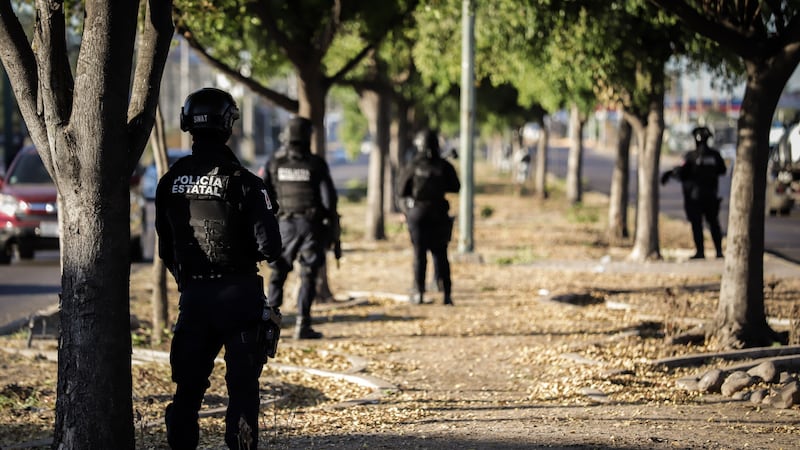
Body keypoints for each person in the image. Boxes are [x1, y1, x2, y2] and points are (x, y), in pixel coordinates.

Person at [155, 87, 283, 450]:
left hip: (194, 297)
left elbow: (166, 245)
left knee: (188, 388)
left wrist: (188, 281)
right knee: (242, 387)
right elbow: (270, 247)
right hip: (240, 297)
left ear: (187, 124)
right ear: (229, 125)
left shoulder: (170, 181)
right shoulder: (245, 183)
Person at [262, 116, 339, 339]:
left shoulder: (274, 163)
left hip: (284, 226)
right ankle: (302, 325)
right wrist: (331, 227)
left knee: (278, 273)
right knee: (307, 275)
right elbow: (329, 201)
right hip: (310, 227)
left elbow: (263, 195)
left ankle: (270, 325)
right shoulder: (316, 164)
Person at [397, 128, 460, 305]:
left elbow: (401, 191)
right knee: (441, 254)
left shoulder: (412, 166)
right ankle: (446, 294)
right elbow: (455, 186)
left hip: (418, 214)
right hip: (438, 212)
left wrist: (406, 211)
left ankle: (419, 292)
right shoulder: (444, 165)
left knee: (419, 255)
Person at [661, 126, 727, 259]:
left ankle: (701, 252)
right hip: (711, 196)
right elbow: (722, 170)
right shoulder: (715, 155)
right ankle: (718, 251)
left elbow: (681, 172)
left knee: (698, 225)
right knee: (713, 224)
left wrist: (669, 174)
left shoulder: (691, 156)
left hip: (695, 197)